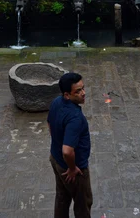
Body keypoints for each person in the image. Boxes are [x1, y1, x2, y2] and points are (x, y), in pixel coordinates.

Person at [47, 73, 92, 218]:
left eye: (83, 88)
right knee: (83, 203)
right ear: (67, 95)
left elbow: (49, 123)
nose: (83, 93)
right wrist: (72, 168)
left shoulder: (56, 102)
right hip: (72, 169)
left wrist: (57, 142)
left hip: (55, 159)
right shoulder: (75, 118)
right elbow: (67, 151)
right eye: (77, 91)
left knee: (62, 197)